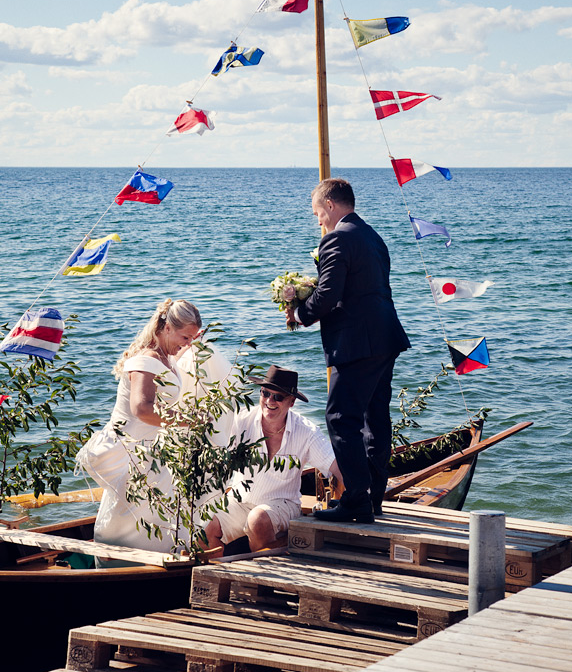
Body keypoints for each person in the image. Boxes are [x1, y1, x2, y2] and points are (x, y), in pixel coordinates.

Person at [289, 178, 410, 523]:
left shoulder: (337, 238)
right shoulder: (373, 237)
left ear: (329, 205)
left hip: (356, 342)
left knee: (341, 418)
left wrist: (299, 312)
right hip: (385, 337)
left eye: (317, 213)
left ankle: (356, 499)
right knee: (375, 418)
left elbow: (328, 294)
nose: (318, 221)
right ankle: (372, 499)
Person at [75, 298, 201, 560]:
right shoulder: (146, 359)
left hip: (149, 448)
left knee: (147, 511)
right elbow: (142, 409)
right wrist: (187, 420)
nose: (188, 344)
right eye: (185, 337)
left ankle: (147, 563)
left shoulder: (164, 356)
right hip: (131, 450)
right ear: (166, 328)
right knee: (133, 514)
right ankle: (121, 565)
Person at [201, 365, 343, 555]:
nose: (270, 401)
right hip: (240, 501)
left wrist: (359, 498)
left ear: (291, 402)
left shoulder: (307, 432)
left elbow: (335, 466)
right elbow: (213, 443)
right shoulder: (241, 421)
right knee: (204, 527)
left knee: (257, 520)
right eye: (265, 393)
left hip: (283, 504)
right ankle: (220, 573)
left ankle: (269, 570)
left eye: (278, 397)